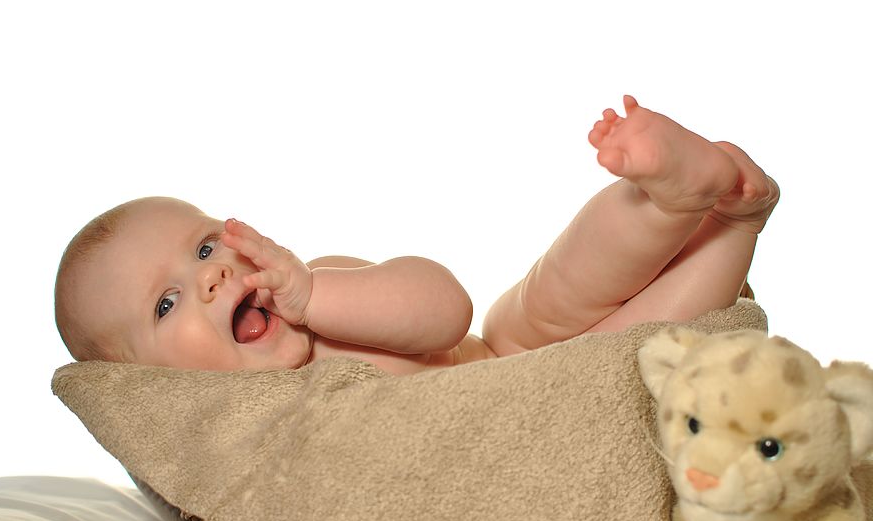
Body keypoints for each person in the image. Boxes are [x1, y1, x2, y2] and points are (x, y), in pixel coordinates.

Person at [54, 96, 778, 376]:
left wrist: (315, 293)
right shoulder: (234, 447)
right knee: (644, 338)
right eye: (166, 303)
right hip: (541, 395)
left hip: (504, 348)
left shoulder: (315, 291)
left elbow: (444, 308)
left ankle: (661, 197)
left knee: (566, 284)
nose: (210, 276)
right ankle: (734, 219)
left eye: (205, 245)